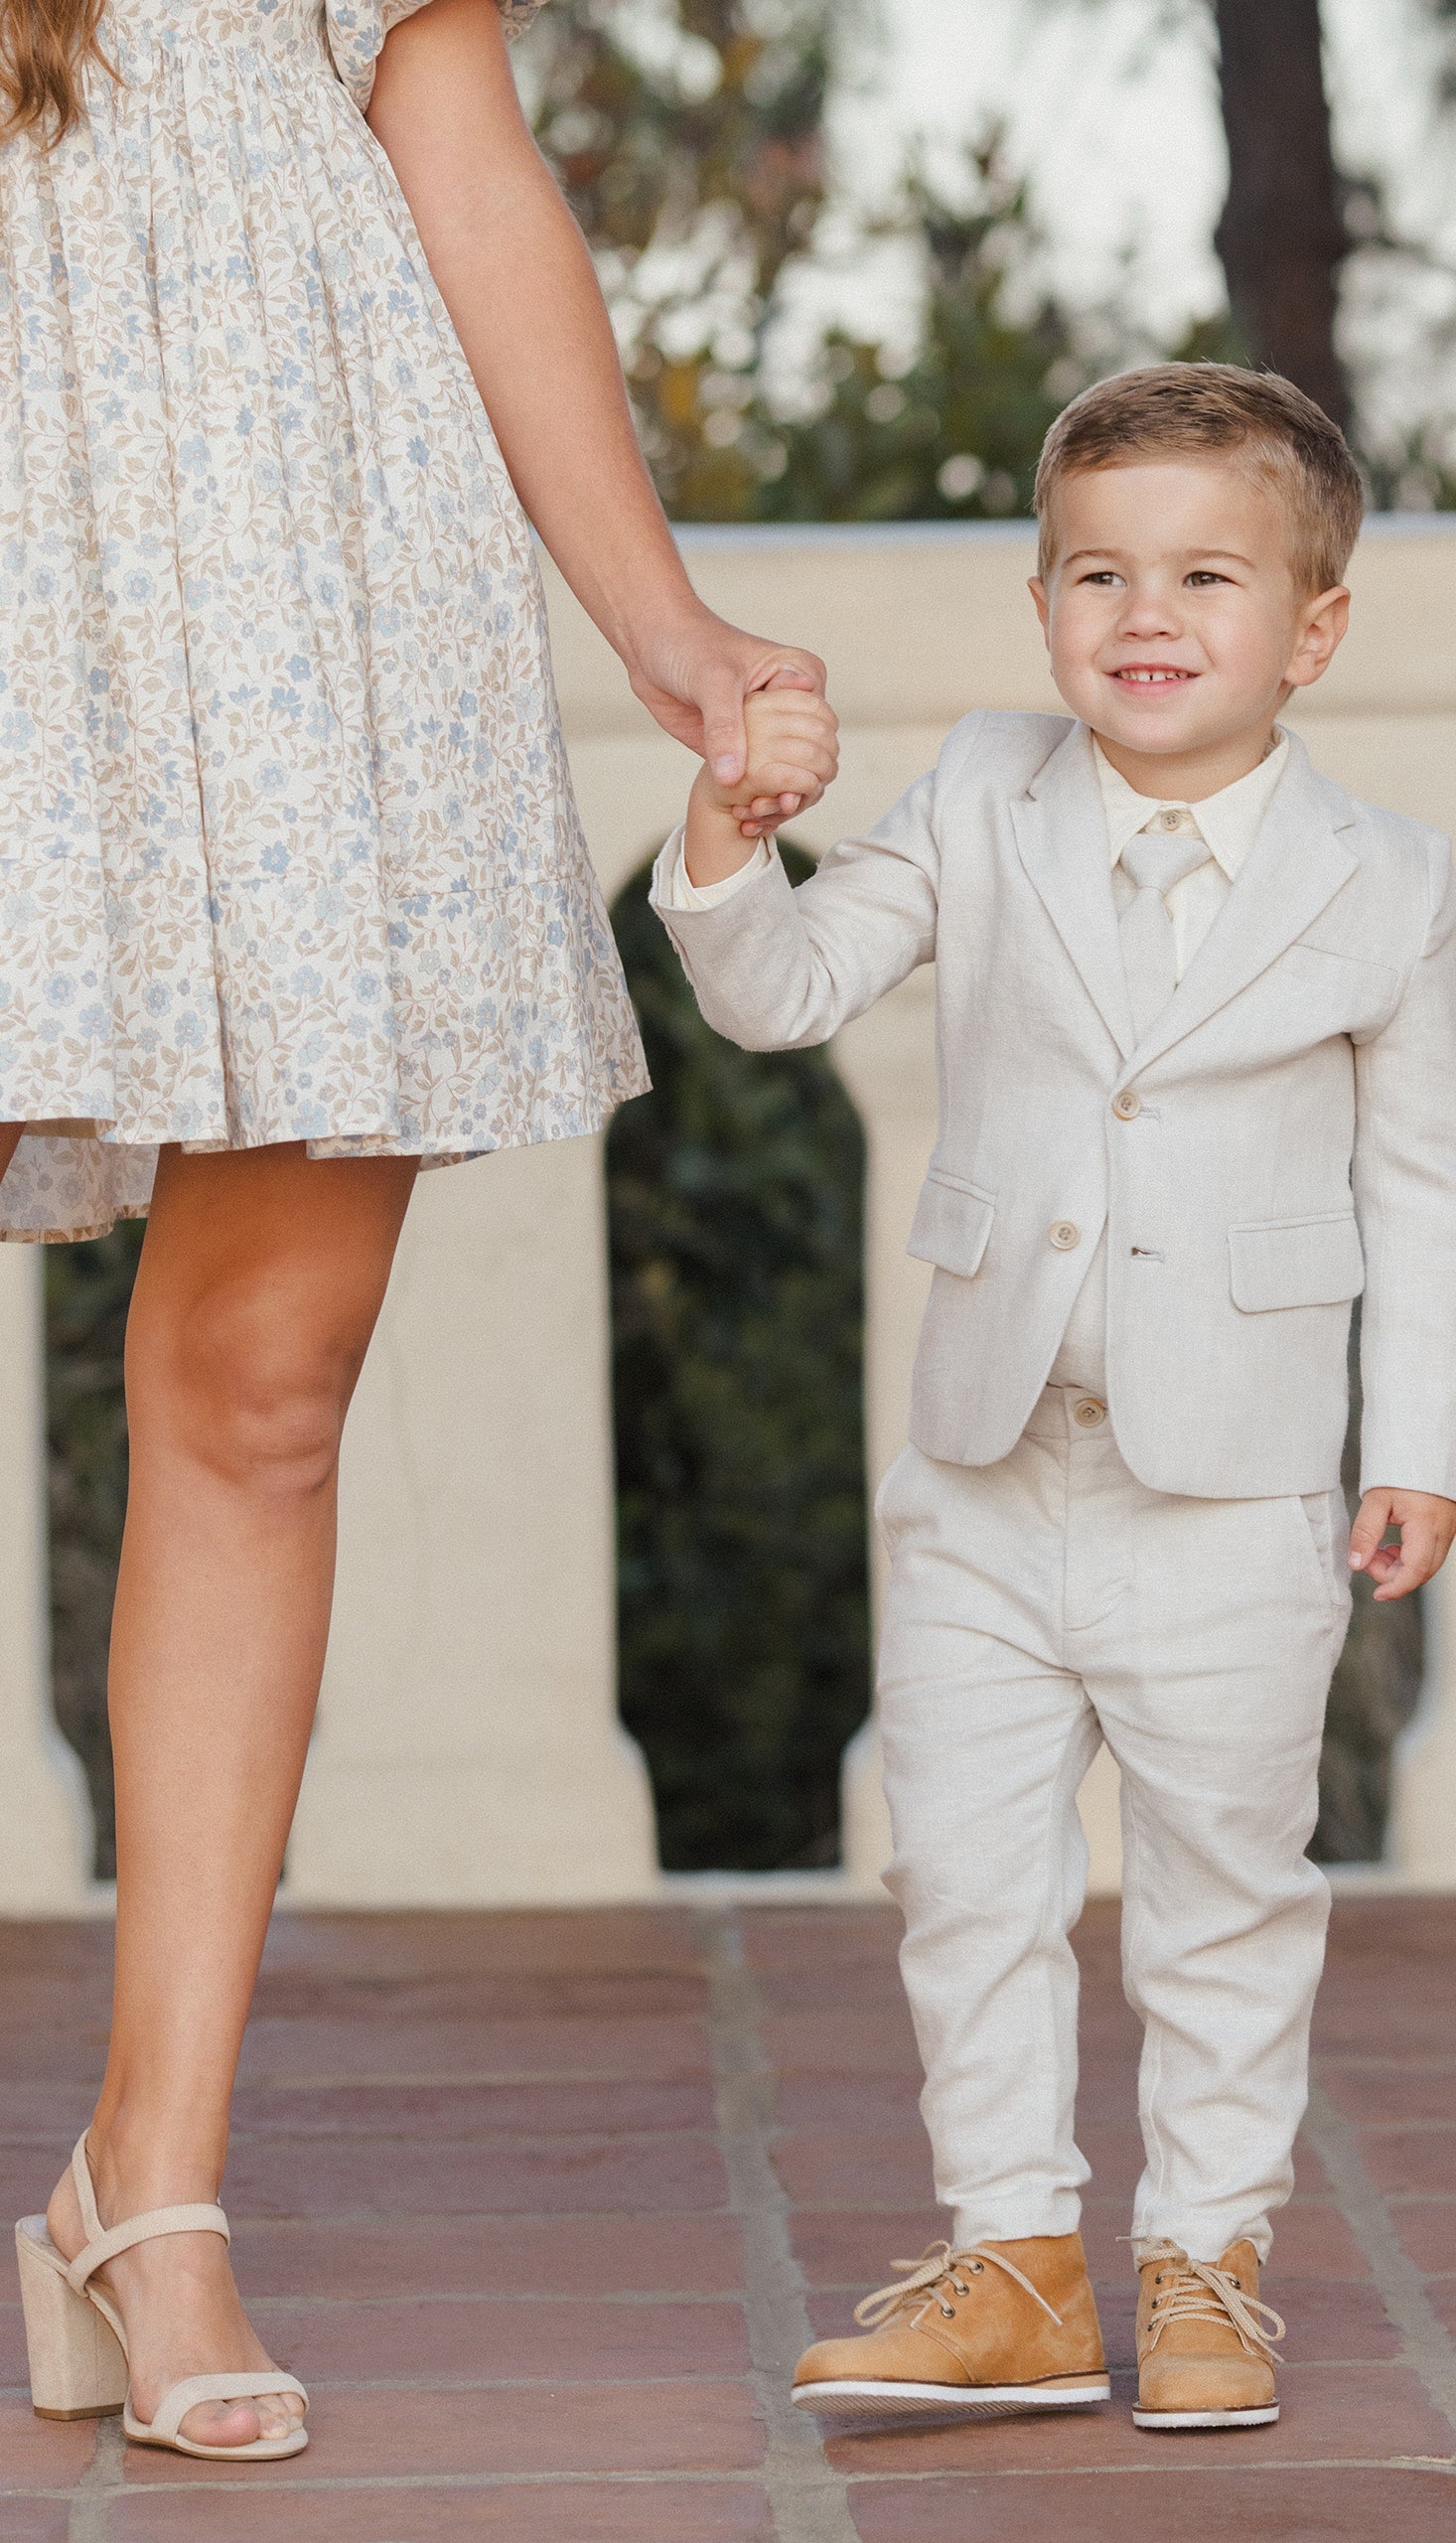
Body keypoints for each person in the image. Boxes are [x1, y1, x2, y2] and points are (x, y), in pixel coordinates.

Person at [3, 0, 836, 2465]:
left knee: (266, 1378)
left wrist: (668, 633)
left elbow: (456, 154)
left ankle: (146, 2192)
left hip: (290, 525)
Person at [654, 362, 1456, 2432]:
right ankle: (1014, 2254)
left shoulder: (1381, 876)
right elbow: (782, 993)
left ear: (1312, 624)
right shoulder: (977, 795)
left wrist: (1423, 1451)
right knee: (961, 1866)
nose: (1145, 611)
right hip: (985, 1468)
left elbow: (1430, 1187)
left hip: (1234, 1485)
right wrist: (726, 845)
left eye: (1205, 573)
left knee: (1223, 1884)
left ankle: (1206, 2254)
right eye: (1096, 569)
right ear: (1041, 605)